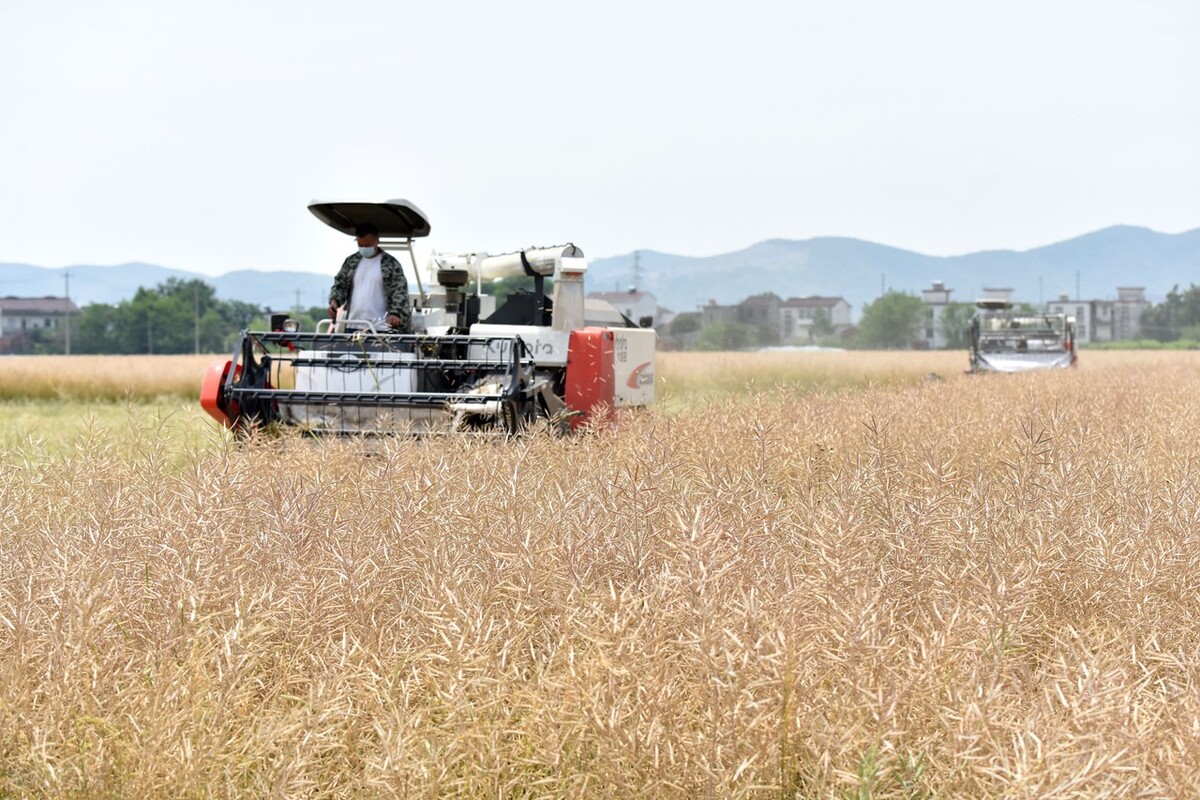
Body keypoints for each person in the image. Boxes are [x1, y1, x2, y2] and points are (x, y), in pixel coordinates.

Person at [328, 222, 412, 332]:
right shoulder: (351, 262)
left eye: (367, 245)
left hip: (381, 327)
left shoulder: (391, 264)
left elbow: (400, 291)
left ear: (377, 241)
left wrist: (396, 313)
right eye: (360, 245)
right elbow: (340, 284)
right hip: (353, 325)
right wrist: (334, 301)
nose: (363, 248)